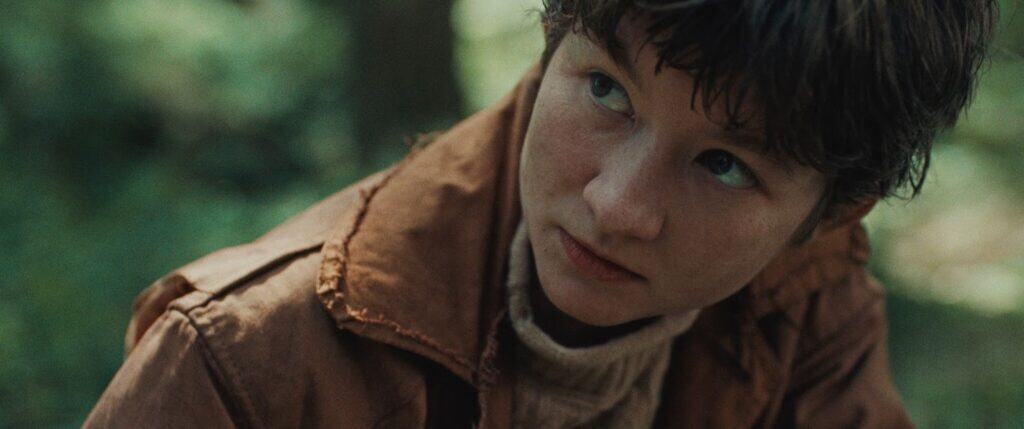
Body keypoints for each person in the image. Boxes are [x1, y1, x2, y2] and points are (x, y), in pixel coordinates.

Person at [85, 0, 997, 427]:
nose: (617, 206)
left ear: (834, 213)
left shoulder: (808, 306)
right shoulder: (240, 362)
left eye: (723, 165)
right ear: (554, 41)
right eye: (606, 90)